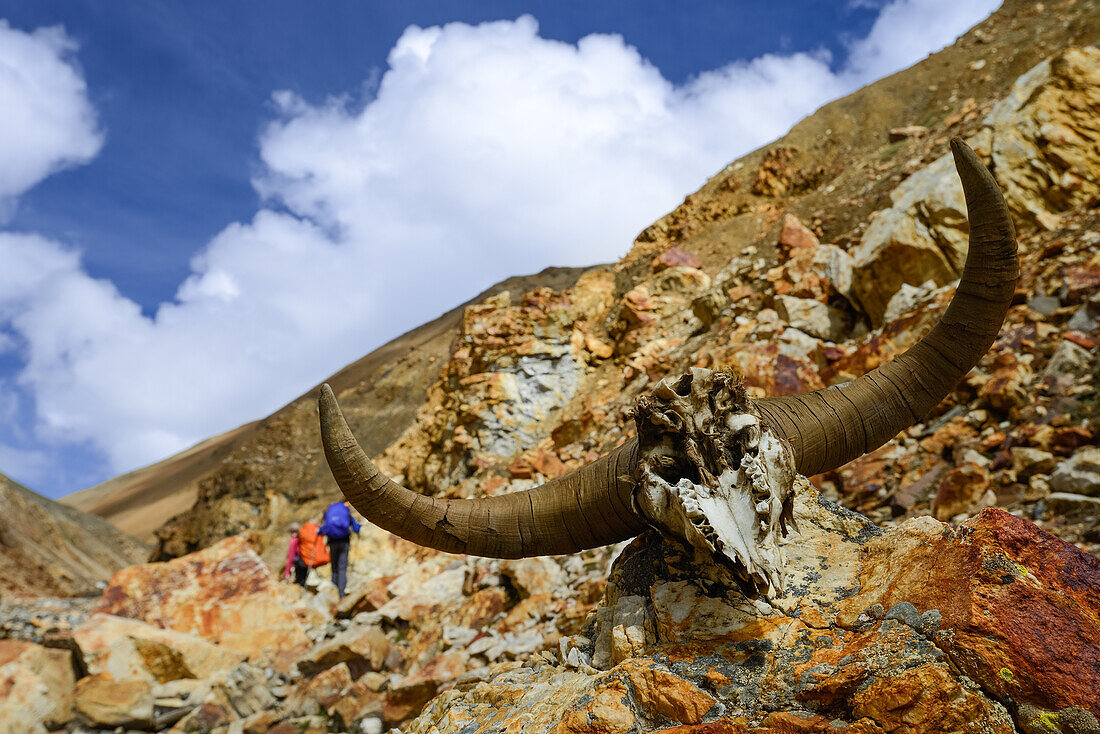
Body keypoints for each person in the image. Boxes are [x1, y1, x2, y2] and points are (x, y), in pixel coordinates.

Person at [320, 500, 360, 597]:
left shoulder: (330, 512)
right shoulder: (346, 512)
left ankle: (333, 592)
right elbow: (356, 529)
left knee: (334, 567)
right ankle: (341, 594)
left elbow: (323, 528)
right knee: (342, 567)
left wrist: (318, 532)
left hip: (333, 542)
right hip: (344, 542)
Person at [283, 523, 308, 587]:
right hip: (306, 562)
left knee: (299, 583)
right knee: (304, 581)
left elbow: (290, 558)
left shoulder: (293, 541)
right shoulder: (302, 539)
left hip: (299, 565)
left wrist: (287, 573)